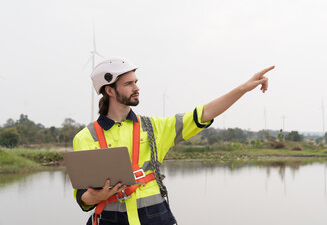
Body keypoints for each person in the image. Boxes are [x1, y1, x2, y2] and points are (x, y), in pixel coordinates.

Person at [73, 57, 274, 225]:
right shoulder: (85, 138)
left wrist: (243, 89)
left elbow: (204, 113)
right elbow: (83, 197)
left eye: (136, 81)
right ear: (109, 91)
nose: (137, 87)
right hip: (110, 219)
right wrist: (96, 197)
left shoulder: (155, 127)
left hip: (155, 216)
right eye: (129, 84)